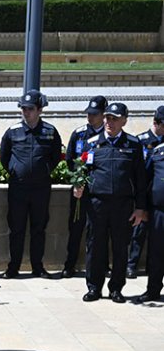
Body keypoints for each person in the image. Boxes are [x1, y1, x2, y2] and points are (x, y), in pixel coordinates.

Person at [78, 102, 147, 303]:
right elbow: (82, 171)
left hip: (122, 205)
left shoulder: (133, 144)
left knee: (120, 247)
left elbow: (140, 179)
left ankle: (116, 288)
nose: (110, 122)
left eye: (115, 119)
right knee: (95, 246)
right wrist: (78, 185)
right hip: (97, 204)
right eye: (107, 118)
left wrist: (140, 208)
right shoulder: (92, 143)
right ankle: (94, 288)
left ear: (124, 121)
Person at [0, 90, 62, 278]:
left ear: (39, 110)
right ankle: (13, 267)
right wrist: (14, 170)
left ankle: (37, 267)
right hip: (18, 187)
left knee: (39, 228)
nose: (26, 112)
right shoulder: (13, 131)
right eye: (23, 109)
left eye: (30, 109)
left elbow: (56, 156)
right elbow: (4, 156)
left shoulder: (50, 131)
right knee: (16, 228)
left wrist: (45, 170)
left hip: (41, 188)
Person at [61, 96, 106, 279]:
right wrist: (77, 180)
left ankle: (101, 265)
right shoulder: (79, 134)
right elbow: (70, 159)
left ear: (103, 115)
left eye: (95, 114)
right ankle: (70, 265)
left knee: (99, 229)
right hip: (80, 189)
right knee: (76, 227)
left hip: (100, 190)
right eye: (89, 113)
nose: (90, 117)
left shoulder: (108, 136)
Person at [128, 105, 164, 278]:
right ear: (155, 123)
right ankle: (131, 264)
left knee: (157, 236)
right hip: (144, 194)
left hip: (158, 197)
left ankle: (152, 267)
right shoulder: (141, 140)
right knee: (139, 231)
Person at [137, 139, 164, 303]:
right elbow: (145, 181)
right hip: (159, 211)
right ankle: (153, 290)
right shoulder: (157, 152)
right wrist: (144, 208)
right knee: (156, 253)